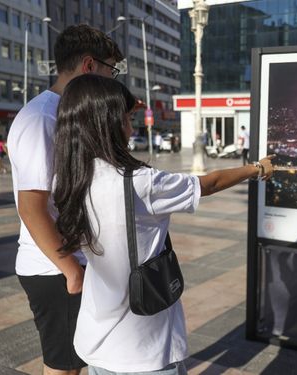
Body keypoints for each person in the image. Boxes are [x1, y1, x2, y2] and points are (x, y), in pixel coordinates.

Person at [52, 74, 274, 375]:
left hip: (97, 340)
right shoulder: (139, 183)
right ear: (109, 122)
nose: (132, 127)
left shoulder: (69, 181)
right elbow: (208, 184)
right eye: (128, 118)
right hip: (145, 345)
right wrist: (256, 168)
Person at [6, 24, 123, 375]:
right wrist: (71, 271)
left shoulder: (69, 113)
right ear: (89, 65)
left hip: (71, 261)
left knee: (78, 361)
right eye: (111, 70)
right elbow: (31, 206)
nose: (113, 80)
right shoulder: (42, 118)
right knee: (64, 367)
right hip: (55, 267)